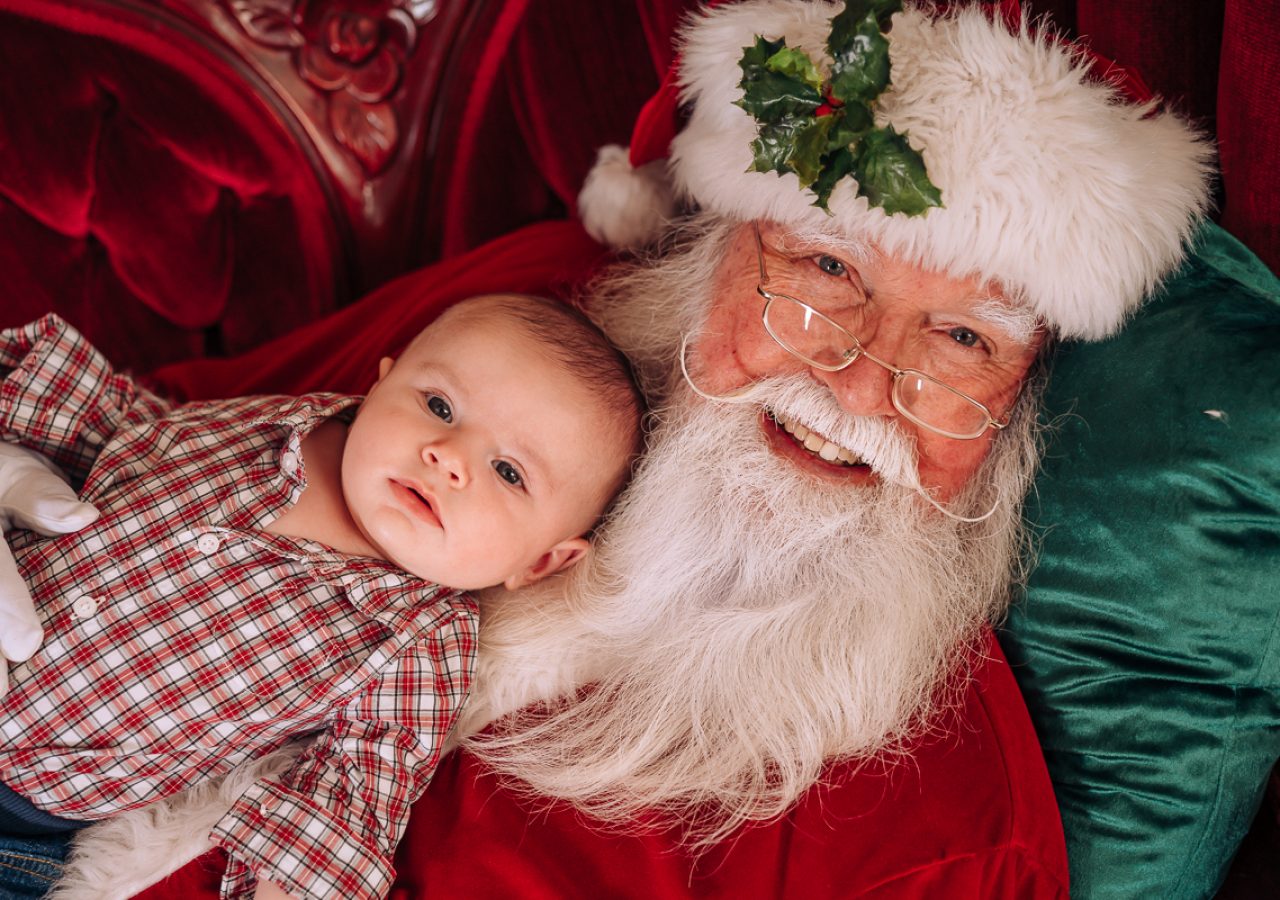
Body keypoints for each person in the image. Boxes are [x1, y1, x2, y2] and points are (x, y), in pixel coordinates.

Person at [24, 1, 1218, 898]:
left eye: (960, 338)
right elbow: (171, 425)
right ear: (709, 247)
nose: (856, 378)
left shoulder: (949, 832)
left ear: (1018, 405)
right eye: (824, 267)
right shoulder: (527, 323)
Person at [0, 292, 644, 899]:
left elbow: (356, 788)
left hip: (20, 814)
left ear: (542, 562)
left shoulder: (421, 637)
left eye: (509, 473)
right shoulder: (279, 421)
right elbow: (126, 434)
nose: (449, 458)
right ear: (382, 384)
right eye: (440, 407)